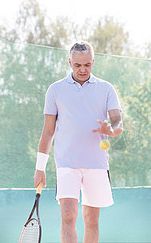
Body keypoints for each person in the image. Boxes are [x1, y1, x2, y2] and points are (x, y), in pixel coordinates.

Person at [34, 42, 123, 243]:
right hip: (66, 163)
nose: (82, 70)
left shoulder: (106, 88)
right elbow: (48, 131)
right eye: (77, 65)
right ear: (70, 63)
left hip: (96, 164)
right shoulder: (55, 90)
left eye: (87, 65)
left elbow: (118, 122)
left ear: (93, 62)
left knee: (91, 219)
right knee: (67, 215)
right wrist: (40, 168)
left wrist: (110, 130)